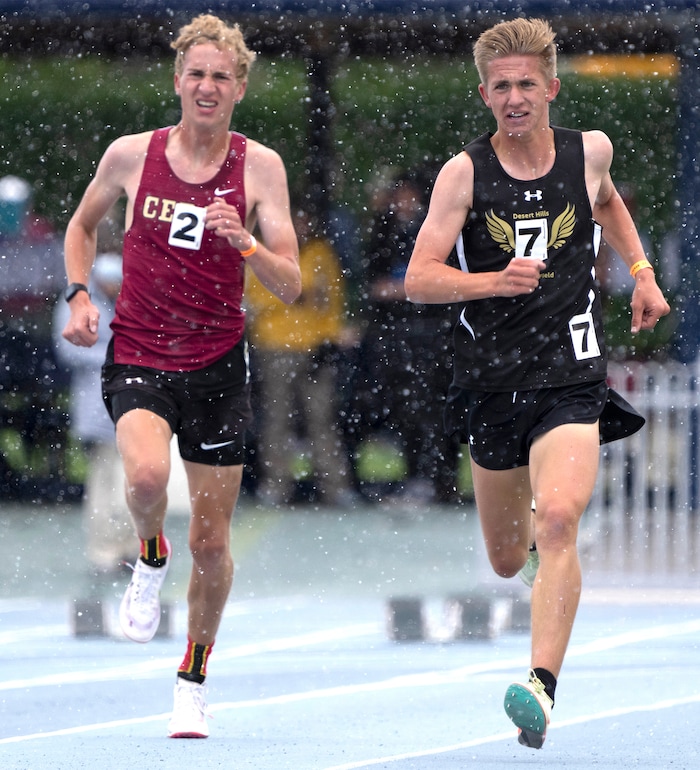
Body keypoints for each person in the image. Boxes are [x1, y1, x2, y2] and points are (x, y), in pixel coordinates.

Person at [404, 18, 670, 750]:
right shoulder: (464, 174)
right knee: (504, 554)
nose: (515, 97)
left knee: (558, 519)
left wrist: (641, 273)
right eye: (502, 87)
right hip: (493, 385)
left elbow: (609, 201)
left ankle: (540, 688)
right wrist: (492, 281)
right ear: (485, 94)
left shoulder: (589, 153)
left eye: (527, 84)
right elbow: (419, 279)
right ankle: (533, 571)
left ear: (550, 88)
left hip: (570, 378)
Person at [61, 14, 301, 739]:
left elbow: (290, 285)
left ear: (240, 87)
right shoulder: (133, 156)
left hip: (219, 365)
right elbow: (80, 228)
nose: (206, 86)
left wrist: (248, 243)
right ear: (177, 80)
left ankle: (193, 679)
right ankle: (147, 552)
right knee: (141, 481)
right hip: (139, 350)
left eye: (220, 76)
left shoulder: (261, 168)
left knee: (211, 542)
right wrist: (78, 294)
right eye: (196, 74)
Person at [352, 173, 461, 504]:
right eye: (399, 198)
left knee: (438, 410)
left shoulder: (440, 230)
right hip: (397, 336)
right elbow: (372, 282)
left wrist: (408, 289)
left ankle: (442, 480)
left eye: (409, 197)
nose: (404, 204)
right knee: (405, 410)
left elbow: (446, 279)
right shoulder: (384, 231)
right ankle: (416, 475)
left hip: (433, 334)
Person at [246, 206, 355, 507]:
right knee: (277, 417)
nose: (300, 229)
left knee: (322, 417)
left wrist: (331, 336)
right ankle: (277, 485)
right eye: (294, 223)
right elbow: (253, 296)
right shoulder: (262, 250)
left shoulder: (319, 253)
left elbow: (332, 298)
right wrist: (293, 292)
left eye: (305, 222)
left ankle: (335, 486)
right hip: (274, 343)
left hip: (314, 346)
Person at [53, 252, 138, 574]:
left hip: (129, 406)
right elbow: (68, 348)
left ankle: (131, 549)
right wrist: (119, 355)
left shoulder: (128, 300)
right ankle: (104, 553)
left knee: (132, 480)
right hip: (95, 405)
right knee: (103, 482)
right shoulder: (75, 303)